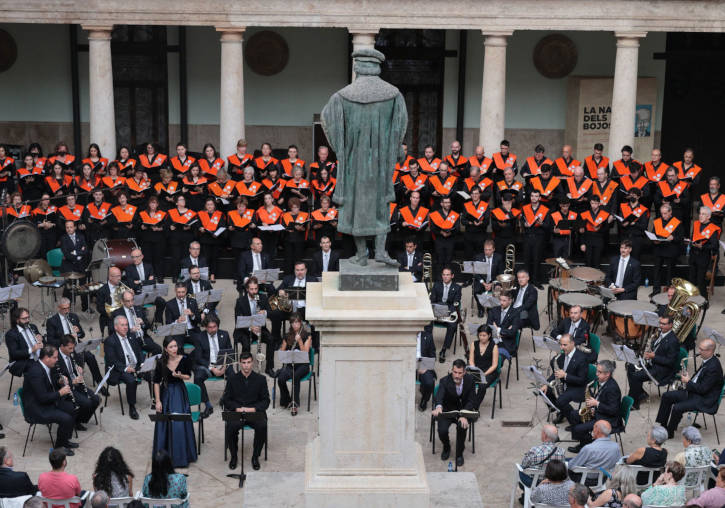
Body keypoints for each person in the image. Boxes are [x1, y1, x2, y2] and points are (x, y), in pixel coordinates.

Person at [656, 339, 723, 438]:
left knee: (677, 407)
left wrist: (688, 381)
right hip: (694, 392)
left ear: (709, 351)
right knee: (666, 396)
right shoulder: (707, 361)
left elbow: (703, 389)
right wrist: (688, 379)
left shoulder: (713, 368)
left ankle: (670, 432)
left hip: (704, 399)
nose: (699, 351)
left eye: (701, 349)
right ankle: (663, 425)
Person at [152, 337, 197, 468]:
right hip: (165, 393)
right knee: (164, 423)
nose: (174, 349)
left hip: (179, 392)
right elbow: (155, 382)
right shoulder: (160, 362)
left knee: (178, 424)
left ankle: (181, 457)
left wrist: (180, 376)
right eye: (171, 347)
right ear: (165, 349)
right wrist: (158, 401)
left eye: (175, 346)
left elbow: (188, 375)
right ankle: (163, 457)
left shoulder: (184, 359)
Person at [22, 345, 77, 454]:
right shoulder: (35, 372)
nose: (57, 360)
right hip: (37, 408)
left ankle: (64, 441)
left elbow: (49, 383)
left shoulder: (47, 367)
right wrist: (60, 393)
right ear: (47, 358)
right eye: (55, 358)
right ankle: (59, 448)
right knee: (65, 418)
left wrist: (59, 382)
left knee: (73, 408)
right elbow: (42, 398)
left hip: (47, 401)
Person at [222, 352, 270, 471]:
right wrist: (237, 408)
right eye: (243, 363)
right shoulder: (232, 379)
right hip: (238, 411)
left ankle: (255, 457)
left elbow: (266, 401)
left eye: (248, 362)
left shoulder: (261, 379)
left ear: (252, 363)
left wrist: (253, 409)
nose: (246, 366)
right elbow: (226, 400)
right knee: (230, 427)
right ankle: (234, 456)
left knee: (262, 426)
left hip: (254, 411)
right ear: (240, 363)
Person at [565, 362, 622, 453]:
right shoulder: (603, 381)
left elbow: (613, 410)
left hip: (608, 419)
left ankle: (587, 444)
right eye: (597, 371)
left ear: (607, 374)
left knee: (578, 428)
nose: (596, 374)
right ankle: (584, 443)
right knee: (573, 414)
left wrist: (597, 404)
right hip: (600, 412)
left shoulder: (612, 388)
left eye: (599, 372)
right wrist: (593, 407)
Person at [626, 315, 680, 410]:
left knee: (636, 377)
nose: (661, 326)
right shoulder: (660, 333)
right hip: (652, 363)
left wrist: (654, 357)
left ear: (671, 325)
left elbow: (670, 362)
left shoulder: (673, 341)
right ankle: (640, 393)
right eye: (660, 323)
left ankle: (634, 403)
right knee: (630, 366)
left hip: (662, 370)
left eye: (664, 324)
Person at [46, 298, 103, 384]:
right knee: (76, 359)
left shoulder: (73, 316)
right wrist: (67, 337)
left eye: (68, 308)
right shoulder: (52, 321)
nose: (67, 311)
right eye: (64, 309)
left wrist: (78, 331)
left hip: (76, 345)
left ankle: (99, 382)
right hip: (63, 348)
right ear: (58, 308)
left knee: (90, 357)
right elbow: (50, 341)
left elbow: (82, 334)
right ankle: (76, 379)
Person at [432, 359, 476, 467]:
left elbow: (472, 400)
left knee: (462, 426)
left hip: (464, 411)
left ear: (464, 372)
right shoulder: (444, 381)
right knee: (442, 430)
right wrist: (438, 407)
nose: (456, 375)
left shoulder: (470, 381)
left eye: (460, 373)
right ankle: (446, 447)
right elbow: (439, 396)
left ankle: (459, 453)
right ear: (452, 370)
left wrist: (464, 415)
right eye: (455, 372)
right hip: (448, 411)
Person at [104, 315, 144, 420]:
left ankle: (157, 400)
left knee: (153, 372)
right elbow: (113, 361)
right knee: (131, 380)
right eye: (122, 325)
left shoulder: (131, 336)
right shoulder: (110, 341)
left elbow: (139, 352)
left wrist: (143, 364)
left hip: (135, 365)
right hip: (119, 369)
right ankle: (132, 407)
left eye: (126, 325)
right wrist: (126, 369)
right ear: (116, 327)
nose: (126, 327)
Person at [542, 334, 588, 424]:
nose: (562, 347)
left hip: (578, 388)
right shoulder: (562, 355)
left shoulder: (582, 358)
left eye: (565, 345)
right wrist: (546, 384)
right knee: (546, 391)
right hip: (565, 383)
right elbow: (556, 372)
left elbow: (582, 380)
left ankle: (574, 421)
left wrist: (566, 375)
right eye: (561, 344)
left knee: (560, 400)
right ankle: (562, 411)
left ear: (572, 344)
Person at [233, 276, 276, 373]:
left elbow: (271, 311)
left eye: (256, 289)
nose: (254, 291)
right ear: (247, 289)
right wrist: (250, 328)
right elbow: (238, 320)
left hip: (260, 328)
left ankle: (269, 368)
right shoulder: (240, 301)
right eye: (251, 289)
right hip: (244, 329)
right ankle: (245, 368)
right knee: (246, 343)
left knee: (271, 340)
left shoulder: (262, 298)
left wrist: (265, 312)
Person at [57, 335, 100, 430]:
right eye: (70, 348)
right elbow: (56, 380)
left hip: (77, 384)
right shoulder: (55, 357)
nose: (72, 351)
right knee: (87, 403)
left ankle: (79, 420)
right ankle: (75, 422)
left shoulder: (71, 353)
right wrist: (72, 381)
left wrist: (78, 370)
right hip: (67, 388)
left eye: (73, 348)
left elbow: (74, 368)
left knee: (96, 399)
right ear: (62, 346)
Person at [192, 316, 230, 417]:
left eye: (214, 327)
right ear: (205, 327)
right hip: (207, 365)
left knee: (234, 377)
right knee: (197, 378)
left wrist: (224, 367)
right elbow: (199, 358)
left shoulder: (225, 334)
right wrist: (212, 368)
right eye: (209, 327)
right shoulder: (199, 337)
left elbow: (229, 353)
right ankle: (208, 405)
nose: (212, 329)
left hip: (222, 363)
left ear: (217, 326)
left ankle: (225, 399)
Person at [277, 313, 311, 416]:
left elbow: (305, 352)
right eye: (292, 323)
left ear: (300, 323)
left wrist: (300, 341)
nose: (295, 325)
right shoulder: (287, 335)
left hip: (303, 366)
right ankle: (287, 400)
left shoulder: (307, 336)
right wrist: (283, 349)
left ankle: (294, 404)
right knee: (281, 378)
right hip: (290, 365)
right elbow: (282, 352)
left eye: (297, 322)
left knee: (295, 377)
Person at [112, 290, 162, 356]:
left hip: (142, 338)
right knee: (139, 357)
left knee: (158, 349)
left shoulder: (138, 309)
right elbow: (113, 330)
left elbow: (148, 326)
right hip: (128, 340)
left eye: (132, 300)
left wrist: (142, 323)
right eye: (128, 301)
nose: (131, 303)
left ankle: (151, 364)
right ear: (122, 301)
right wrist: (130, 330)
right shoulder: (117, 313)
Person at [650, 203, 684, 295]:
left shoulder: (676, 222)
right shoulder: (657, 221)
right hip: (659, 249)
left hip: (671, 250)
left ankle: (670, 292)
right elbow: (653, 234)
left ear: (670, 212)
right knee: (656, 271)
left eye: (665, 213)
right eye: (662, 213)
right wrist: (654, 240)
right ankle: (656, 291)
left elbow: (681, 238)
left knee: (670, 272)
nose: (663, 215)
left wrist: (673, 238)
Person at [520, 189, 551, 287]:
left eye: (536, 196)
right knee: (527, 260)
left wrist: (542, 224)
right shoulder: (524, 208)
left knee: (537, 260)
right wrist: (524, 224)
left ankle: (536, 281)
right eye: (532, 196)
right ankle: (526, 282)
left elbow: (548, 226)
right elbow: (521, 221)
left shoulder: (545, 209)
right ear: (530, 197)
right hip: (528, 237)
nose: (534, 198)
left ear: (540, 198)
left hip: (539, 238)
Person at [430, 266, 461, 363]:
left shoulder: (457, 287)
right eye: (444, 275)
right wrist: (439, 309)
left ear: (452, 276)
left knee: (453, 324)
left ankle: (444, 349)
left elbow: (456, 303)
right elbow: (432, 301)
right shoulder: (436, 285)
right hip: (437, 310)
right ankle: (430, 348)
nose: (445, 277)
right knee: (426, 322)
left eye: (448, 275)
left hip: (449, 311)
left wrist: (447, 311)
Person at [689, 206, 721, 297]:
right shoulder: (696, 224)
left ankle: (704, 301)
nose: (700, 216)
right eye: (700, 213)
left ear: (708, 217)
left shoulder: (713, 228)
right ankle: (691, 299)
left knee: (700, 280)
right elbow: (693, 237)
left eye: (703, 214)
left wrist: (702, 246)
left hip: (703, 257)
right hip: (693, 255)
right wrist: (690, 242)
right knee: (691, 278)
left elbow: (715, 245)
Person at [59, 220, 89, 311]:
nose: (69, 229)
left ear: (75, 227)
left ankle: (85, 307)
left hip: (81, 265)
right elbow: (66, 254)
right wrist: (79, 254)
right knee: (70, 288)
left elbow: (86, 250)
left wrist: (75, 252)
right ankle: (68, 308)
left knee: (83, 286)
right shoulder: (63, 238)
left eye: (70, 227)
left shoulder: (81, 236)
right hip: (69, 266)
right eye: (67, 227)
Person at [6, 306, 43, 378]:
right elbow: (14, 354)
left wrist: (41, 339)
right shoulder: (11, 334)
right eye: (24, 319)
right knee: (37, 370)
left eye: (28, 317)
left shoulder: (33, 327)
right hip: (23, 361)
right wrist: (32, 350)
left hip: (38, 356)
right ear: (17, 320)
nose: (27, 320)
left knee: (53, 360)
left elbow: (41, 342)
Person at [468, 325, 499, 409]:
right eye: (480, 335)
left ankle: (474, 407)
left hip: (489, 372)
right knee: (467, 381)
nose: (481, 337)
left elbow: (494, 365)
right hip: (477, 369)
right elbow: (471, 360)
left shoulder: (494, 346)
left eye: (484, 335)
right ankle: (468, 403)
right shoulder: (474, 344)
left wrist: (483, 374)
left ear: (489, 335)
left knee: (482, 386)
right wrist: (474, 369)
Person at [473, 239, 505, 317]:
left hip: (493, 280)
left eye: (489, 250)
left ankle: (490, 308)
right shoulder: (478, 257)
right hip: (482, 281)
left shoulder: (499, 258)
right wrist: (484, 283)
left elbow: (501, 273)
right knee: (476, 291)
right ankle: (480, 308)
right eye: (485, 250)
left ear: (493, 249)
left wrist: (491, 284)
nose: (487, 252)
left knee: (497, 290)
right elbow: (476, 273)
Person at [486, 290, 521, 361]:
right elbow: (488, 326)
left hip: (506, 343)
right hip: (492, 340)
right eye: (500, 300)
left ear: (510, 301)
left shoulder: (516, 313)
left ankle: (494, 371)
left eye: (504, 300)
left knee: (496, 358)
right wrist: (505, 331)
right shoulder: (494, 310)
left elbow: (512, 332)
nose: (501, 303)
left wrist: (497, 329)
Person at [579, 194, 611, 269]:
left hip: (599, 239)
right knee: (588, 262)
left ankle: (596, 280)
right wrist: (582, 243)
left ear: (599, 204)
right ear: (590, 203)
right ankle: (587, 280)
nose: (594, 205)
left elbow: (607, 228)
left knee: (597, 262)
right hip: (588, 239)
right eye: (592, 203)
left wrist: (599, 229)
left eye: (596, 203)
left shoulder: (604, 214)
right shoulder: (585, 214)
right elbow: (582, 230)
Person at [429, 196, 459, 269]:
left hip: (450, 240)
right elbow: (432, 228)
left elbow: (457, 228)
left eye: (449, 202)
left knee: (449, 262)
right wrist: (441, 232)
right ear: (441, 204)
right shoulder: (435, 214)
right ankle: (439, 279)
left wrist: (450, 233)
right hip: (439, 240)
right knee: (439, 261)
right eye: (445, 202)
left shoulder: (454, 214)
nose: (448, 204)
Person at [416, 324, 436, 411]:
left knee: (429, 382)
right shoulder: (404, 335)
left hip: (423, 363)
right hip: (408, 363)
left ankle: (424, 399)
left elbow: (432, 354)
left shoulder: (428, 336)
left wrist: (426, 367)